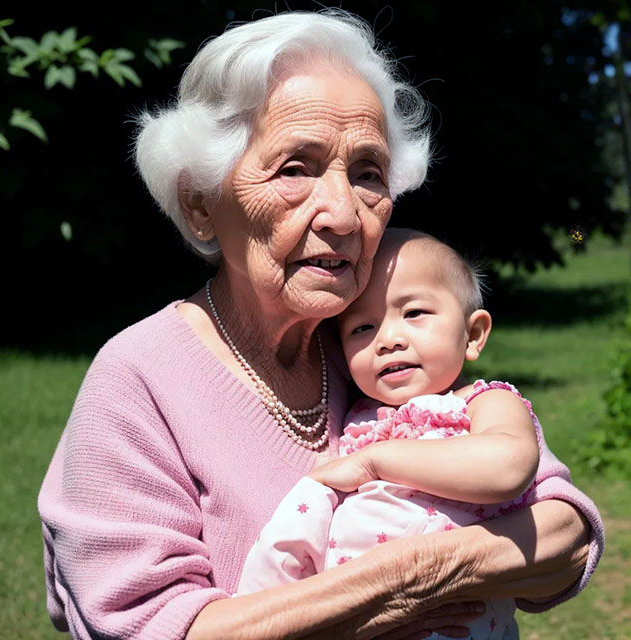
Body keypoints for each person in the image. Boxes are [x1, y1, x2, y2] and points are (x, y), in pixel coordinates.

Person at [38, 10, 603, 640]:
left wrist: (445, 563)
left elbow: (566, 533)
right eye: (295, 169)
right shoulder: (138, 379)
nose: (341, 212)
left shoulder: (370, 341)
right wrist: (393, 585)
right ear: (200, 204)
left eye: (367, 173)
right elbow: (149, 627)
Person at [235, 229, 570, 639]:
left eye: (413, 314)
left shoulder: (483, 403)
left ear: (475, 334)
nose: (388, 340)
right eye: (362, 328)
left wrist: (376, 461)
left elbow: (509, 467)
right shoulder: (353, 418)